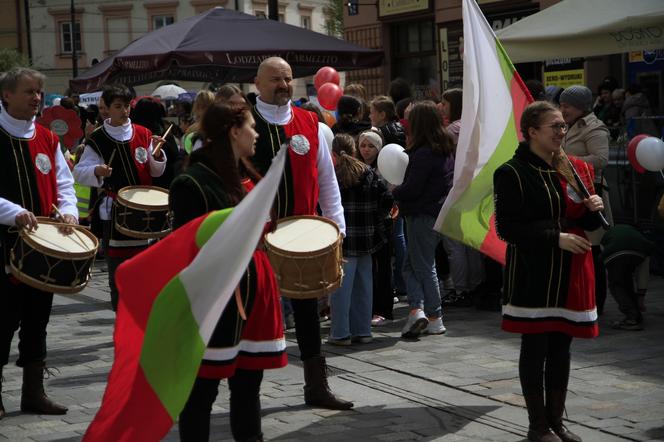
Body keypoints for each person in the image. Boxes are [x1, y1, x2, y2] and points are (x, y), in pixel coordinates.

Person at [170, 102, 286, 442]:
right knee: (202, 390)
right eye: (251, 127)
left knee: (249, 385)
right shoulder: (191, 183)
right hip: (217, 298)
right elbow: (190, 248)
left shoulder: (246, 175)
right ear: (234, 131)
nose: (257, 134)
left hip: (254, 291)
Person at [494, 101, 605, 442]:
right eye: (554, 126)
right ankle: (537, 426)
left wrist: (592, 209)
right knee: (536, 346)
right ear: (532, 132)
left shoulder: (574, 168)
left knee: (561, 347)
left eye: (562, 126)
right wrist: (555, 238)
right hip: (535, 269)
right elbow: (508, 229)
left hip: (571, 268)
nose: (562, 131)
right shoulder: (511, 172)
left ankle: (556, 422)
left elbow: (582, 219)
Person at [248, 57, 351, 409]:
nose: (283, 84)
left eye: (288, 78)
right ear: (257, 84)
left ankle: (316, 386)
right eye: (275, 78)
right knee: (254, 314)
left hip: (304, 236)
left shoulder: (314, 124)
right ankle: (247, 392)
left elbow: (328, 183)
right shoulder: (245, 125)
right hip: (256, 239)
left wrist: (338, 228)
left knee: (308, 314)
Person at [0, 67, 79, 418]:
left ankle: (33, 393)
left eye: (39, 92)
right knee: (1, 322)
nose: (36, 98)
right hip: (2, 246)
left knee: (38, 320)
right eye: (29, 91)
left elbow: (64, 184)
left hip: (41, 249)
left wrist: (69, 212)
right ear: (6, 95)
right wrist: (13, 212)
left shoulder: (48, 138)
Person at [73, 84, 167, 312]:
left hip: (145, 207)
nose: (124, 111)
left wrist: (157, 154)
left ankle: (144, 311)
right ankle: (122, 312)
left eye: (127, 106)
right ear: (107, 109)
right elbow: (78, 171)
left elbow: (155, 171)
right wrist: (97, 171)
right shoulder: (98, 138)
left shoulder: (143, 133)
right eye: (118, 107)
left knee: (146, 263)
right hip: (116, 209)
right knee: (120, 266)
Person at [392, 101, 454, 338]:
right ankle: (417, 311)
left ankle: (434, 316)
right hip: (435, 213)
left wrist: (393, 191)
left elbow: (413, 188)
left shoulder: (424, 152)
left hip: (421, 214)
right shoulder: (443, 148)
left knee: (424, 266)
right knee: (412, 265)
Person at [327, 133, 392, 345]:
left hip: (342, 240)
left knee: (340, 290)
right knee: (364, 286)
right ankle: (363, 331)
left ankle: (340, 333)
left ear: (333, 153)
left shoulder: (332, 175)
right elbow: (387, 201)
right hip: (368, 239)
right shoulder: (369, 173)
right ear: (354, 149)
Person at [560, 85, 612, 315]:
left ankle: (596, 304)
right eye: (561, 105)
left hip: (591, 195)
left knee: (593, 250)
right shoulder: (566, 125)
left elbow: (601, 160)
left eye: (566, 106)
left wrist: (565, 161)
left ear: (580, 106)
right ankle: (578, 299)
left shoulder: (594, 127)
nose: (562, 110)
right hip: (570, 194)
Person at [356, 129, 396, 325]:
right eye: (362, 145)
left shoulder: (385, 166)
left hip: (382, 224)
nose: (366, 150)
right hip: (364, 226)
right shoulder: (356, 167)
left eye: (371, 146)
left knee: (383, 267)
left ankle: (383, 308)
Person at [601, 224, 654, 331]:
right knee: (626, 281)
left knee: (616, 285)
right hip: (639, 252)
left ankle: (632, 319)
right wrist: (641, 296)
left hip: (613, 252)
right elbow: (643, 273)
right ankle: (635, 315)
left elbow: (605, 255)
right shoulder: (641, 240)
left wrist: (609, 276)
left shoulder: (608, 235)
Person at [183, 90, 216, 155]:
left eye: (204, 106)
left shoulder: (191, 129)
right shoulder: (220, 126)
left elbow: (187, 153)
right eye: (202, 107)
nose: (203, 110)